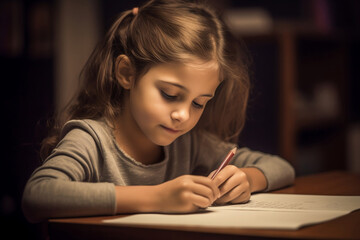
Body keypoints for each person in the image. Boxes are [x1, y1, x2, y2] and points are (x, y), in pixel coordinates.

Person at [22, 0, 295, 223]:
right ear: (126, 73)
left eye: (199, 103)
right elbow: (38, 195)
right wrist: (158, 198)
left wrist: (247, 179)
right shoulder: (91, 139)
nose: (183, 116)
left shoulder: (188, 143)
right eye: (170, 95)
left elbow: (282, 167)